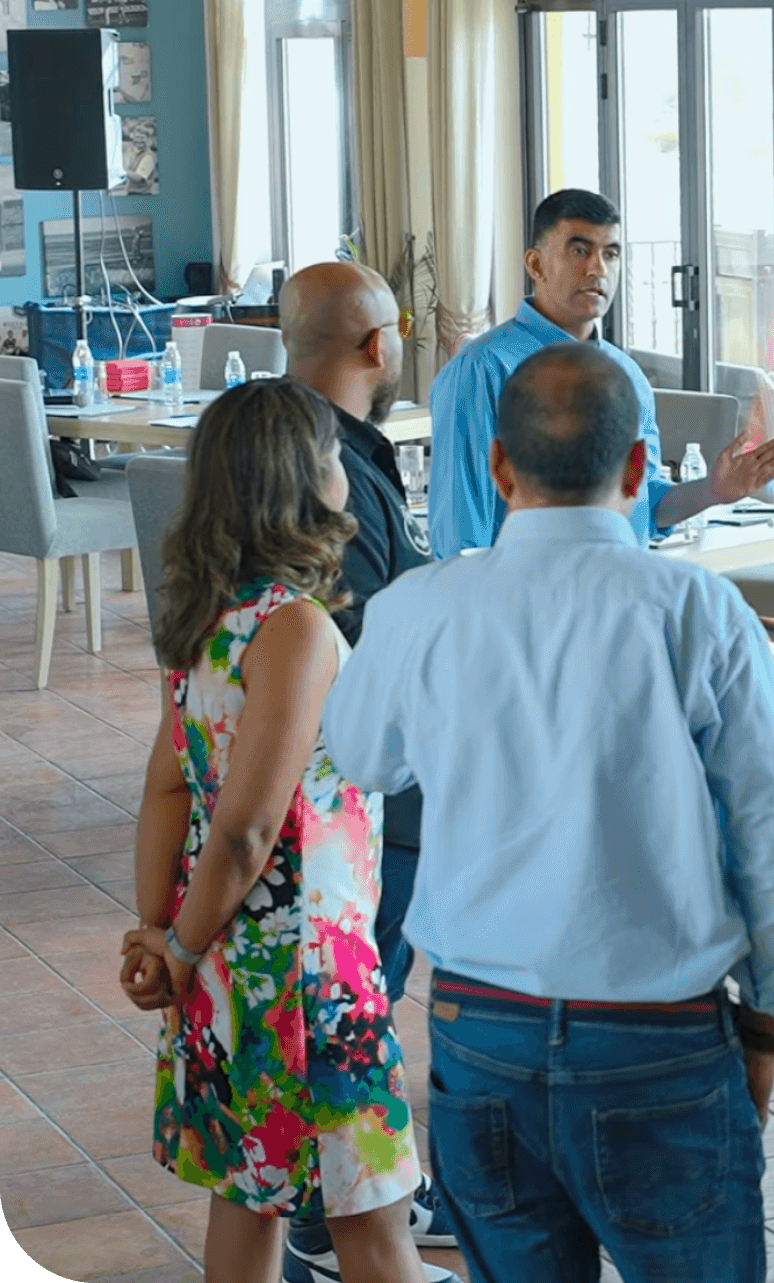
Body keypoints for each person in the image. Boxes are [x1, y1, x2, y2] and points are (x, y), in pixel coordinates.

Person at [322, 342, 774, 1283]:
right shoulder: (698, 610)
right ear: (638, 468)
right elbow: (773, 846)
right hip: (658, 1036)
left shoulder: (419, 609)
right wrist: (768, 1024)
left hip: (481, 1030)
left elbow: (362, 756)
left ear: (497, 466)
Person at [119, 378, 425, 1283]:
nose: (343, 467)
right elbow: (248, 831)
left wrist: (159, 930)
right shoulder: (296, 629)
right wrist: (175, 946)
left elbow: (168, 789)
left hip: (228, 963)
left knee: (248, 1199)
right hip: (308, 972)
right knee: (375, 1227)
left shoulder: (206, 621)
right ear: (305, 477)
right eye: (332, 453)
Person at [272, 264, 460, 1282]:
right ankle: (331, 1213)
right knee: (360, 999)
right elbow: (371, 629)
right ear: (379, 345)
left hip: (332, 776)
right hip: (360, 785)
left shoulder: (277, 439)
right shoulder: (322, 458)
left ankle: (342, 1205)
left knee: (356, 1000)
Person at [427, 187, 774, 558]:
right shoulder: (483, 368)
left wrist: (712, 490)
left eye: (611, 254)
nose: (598, 269)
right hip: (527, 588)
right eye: (579, 251)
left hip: (622, 584)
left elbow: (646, 505)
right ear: (536, 265)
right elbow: (460, 533)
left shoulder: (626, 374)